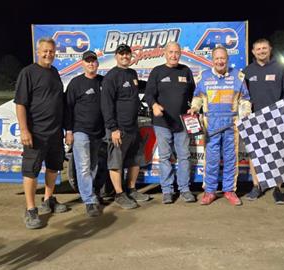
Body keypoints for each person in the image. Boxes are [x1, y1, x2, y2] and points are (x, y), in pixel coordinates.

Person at [14, 37, 67, 229]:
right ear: (38, 51)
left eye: (52, 52)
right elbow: (20, 103)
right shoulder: (28, 73)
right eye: (45, 51)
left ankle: (48, 199)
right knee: (31, 171)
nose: (48, 54)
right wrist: (24, 130)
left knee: (54, 167)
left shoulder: (54, 72)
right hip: (36, 133)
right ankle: (30, 209)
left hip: (55, 133)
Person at [188, 45, 251, 206]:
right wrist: (194, 108)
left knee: (231, 158)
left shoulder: (238, 76)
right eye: (217, 58)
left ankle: (229, 191)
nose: (220, 61)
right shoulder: (204, 76)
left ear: (227, 60)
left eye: (223, 58)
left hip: (232, 125)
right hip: (211, 126)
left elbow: (245, 100)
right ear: (212, 60)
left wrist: (245, 113)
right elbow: (198, 98)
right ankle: (209, 191)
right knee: (212, 159)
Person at [243, 38, 284, 204]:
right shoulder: (247, 71)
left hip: (277, 118)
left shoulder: (282, 69)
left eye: (264, 48)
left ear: (270, 49)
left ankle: (277, 189)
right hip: (254, 119)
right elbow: (242, 97)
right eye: (258, 49)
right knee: (255, 154)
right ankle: (256, 186)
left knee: (278, 154)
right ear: (253, 52)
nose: (261, 51)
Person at [145, 41, 196, 204]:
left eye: (176, 52)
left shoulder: (186, 71)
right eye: (171, 52)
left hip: (182, 122)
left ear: (180, 54)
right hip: (162, 123)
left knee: (184, 157)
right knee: (165, 157)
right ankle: (167, 191)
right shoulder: (157, 71)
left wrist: (193, 107)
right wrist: (154, 105)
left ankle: (185, 189)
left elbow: (193, 95)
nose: (174, 55)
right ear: (165, 53)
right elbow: (148, 94)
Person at [101, 44, 150, 209]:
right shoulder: (110, 77)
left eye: (127, 54)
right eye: (121, 54)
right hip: (118, 128)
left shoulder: (132, 73)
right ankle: (119, 194)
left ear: (131, 56)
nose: (125, 57)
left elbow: (141, 88)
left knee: (135, 159)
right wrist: (113, 128)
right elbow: (106, 106)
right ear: (116, 56)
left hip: (133, 126)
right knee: (116, 162)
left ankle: (131, 189)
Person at [64, 50, 104, 217]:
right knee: (83, 166)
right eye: (87, 61)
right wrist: (69, 131)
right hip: (80, 130)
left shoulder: (103, 81)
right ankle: (88, 200)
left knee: (93, 165)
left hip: (98, 131)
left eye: (93, 61)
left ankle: (91, 192)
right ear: (83, 63)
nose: (91, 64)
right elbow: (67, 108)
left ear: (97, 63)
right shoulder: (76, 83)